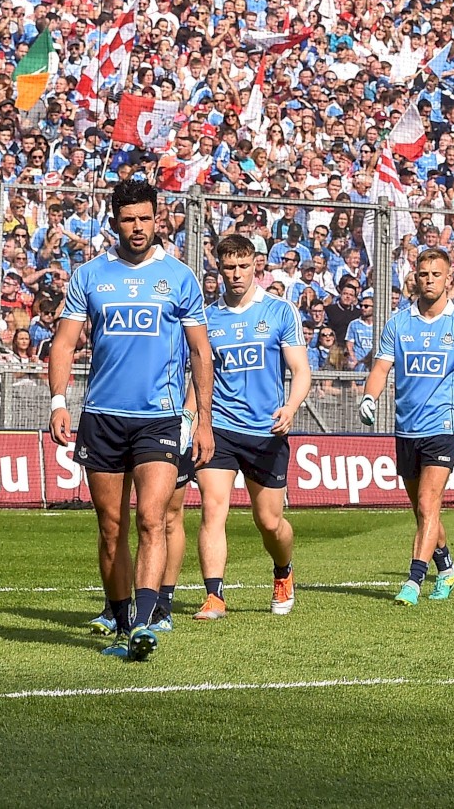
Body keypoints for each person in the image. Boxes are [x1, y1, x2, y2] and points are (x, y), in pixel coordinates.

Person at [47, 179, 212, 662]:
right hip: (102, 416)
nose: (137, 228)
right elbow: (63, 343)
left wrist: (202, 419)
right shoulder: (91, 276)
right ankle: (121, 621)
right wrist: (59, 401)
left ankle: (145, 623)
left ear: (157, 218)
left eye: (145, 218)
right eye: (128, 219)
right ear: (113, 221)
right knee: (111, 526)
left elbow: (201, 352)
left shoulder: (180, 277)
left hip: (159, 418)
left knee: (151, 518)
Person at [358, 246, 454, 606]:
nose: (428, 280)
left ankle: (413, 580)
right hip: (405, 428)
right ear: (415, 276)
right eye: (423, 274)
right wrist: (369, 397)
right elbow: (380, 367)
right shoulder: (398, 323)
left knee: (428, 502)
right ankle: (448, 569)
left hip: (443, 426)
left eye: (436, 274)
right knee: (424, 510)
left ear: (449, 279)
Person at [193, 233, 311, 619]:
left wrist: (291, 406)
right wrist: (194, 421)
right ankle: (214, 596)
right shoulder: (207, 317)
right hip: (221, 428)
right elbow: (198, 376)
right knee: (212, 508)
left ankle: (283, 571)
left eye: (244, 266)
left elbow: (301, 370)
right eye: (229, 267)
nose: (237, 274)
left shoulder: (279, 311)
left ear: (256, 265)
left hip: (267, 431)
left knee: (269, 522)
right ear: (219, 268)